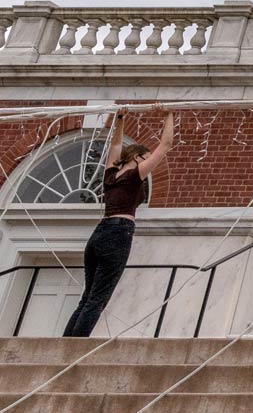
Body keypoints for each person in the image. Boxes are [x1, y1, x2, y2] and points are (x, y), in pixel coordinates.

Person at [63, 110, 174, 337]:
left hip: (99, 233)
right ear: (136, 157)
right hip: (118, 233)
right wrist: (168, 115)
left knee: (88, 296)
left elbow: (115, 145)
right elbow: (166, 145)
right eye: (145, 157)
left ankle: (66, 342)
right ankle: (74, 346)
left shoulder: (111, 174)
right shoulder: (134, 174)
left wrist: (120, 119)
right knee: (98, 298)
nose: (147, 161)